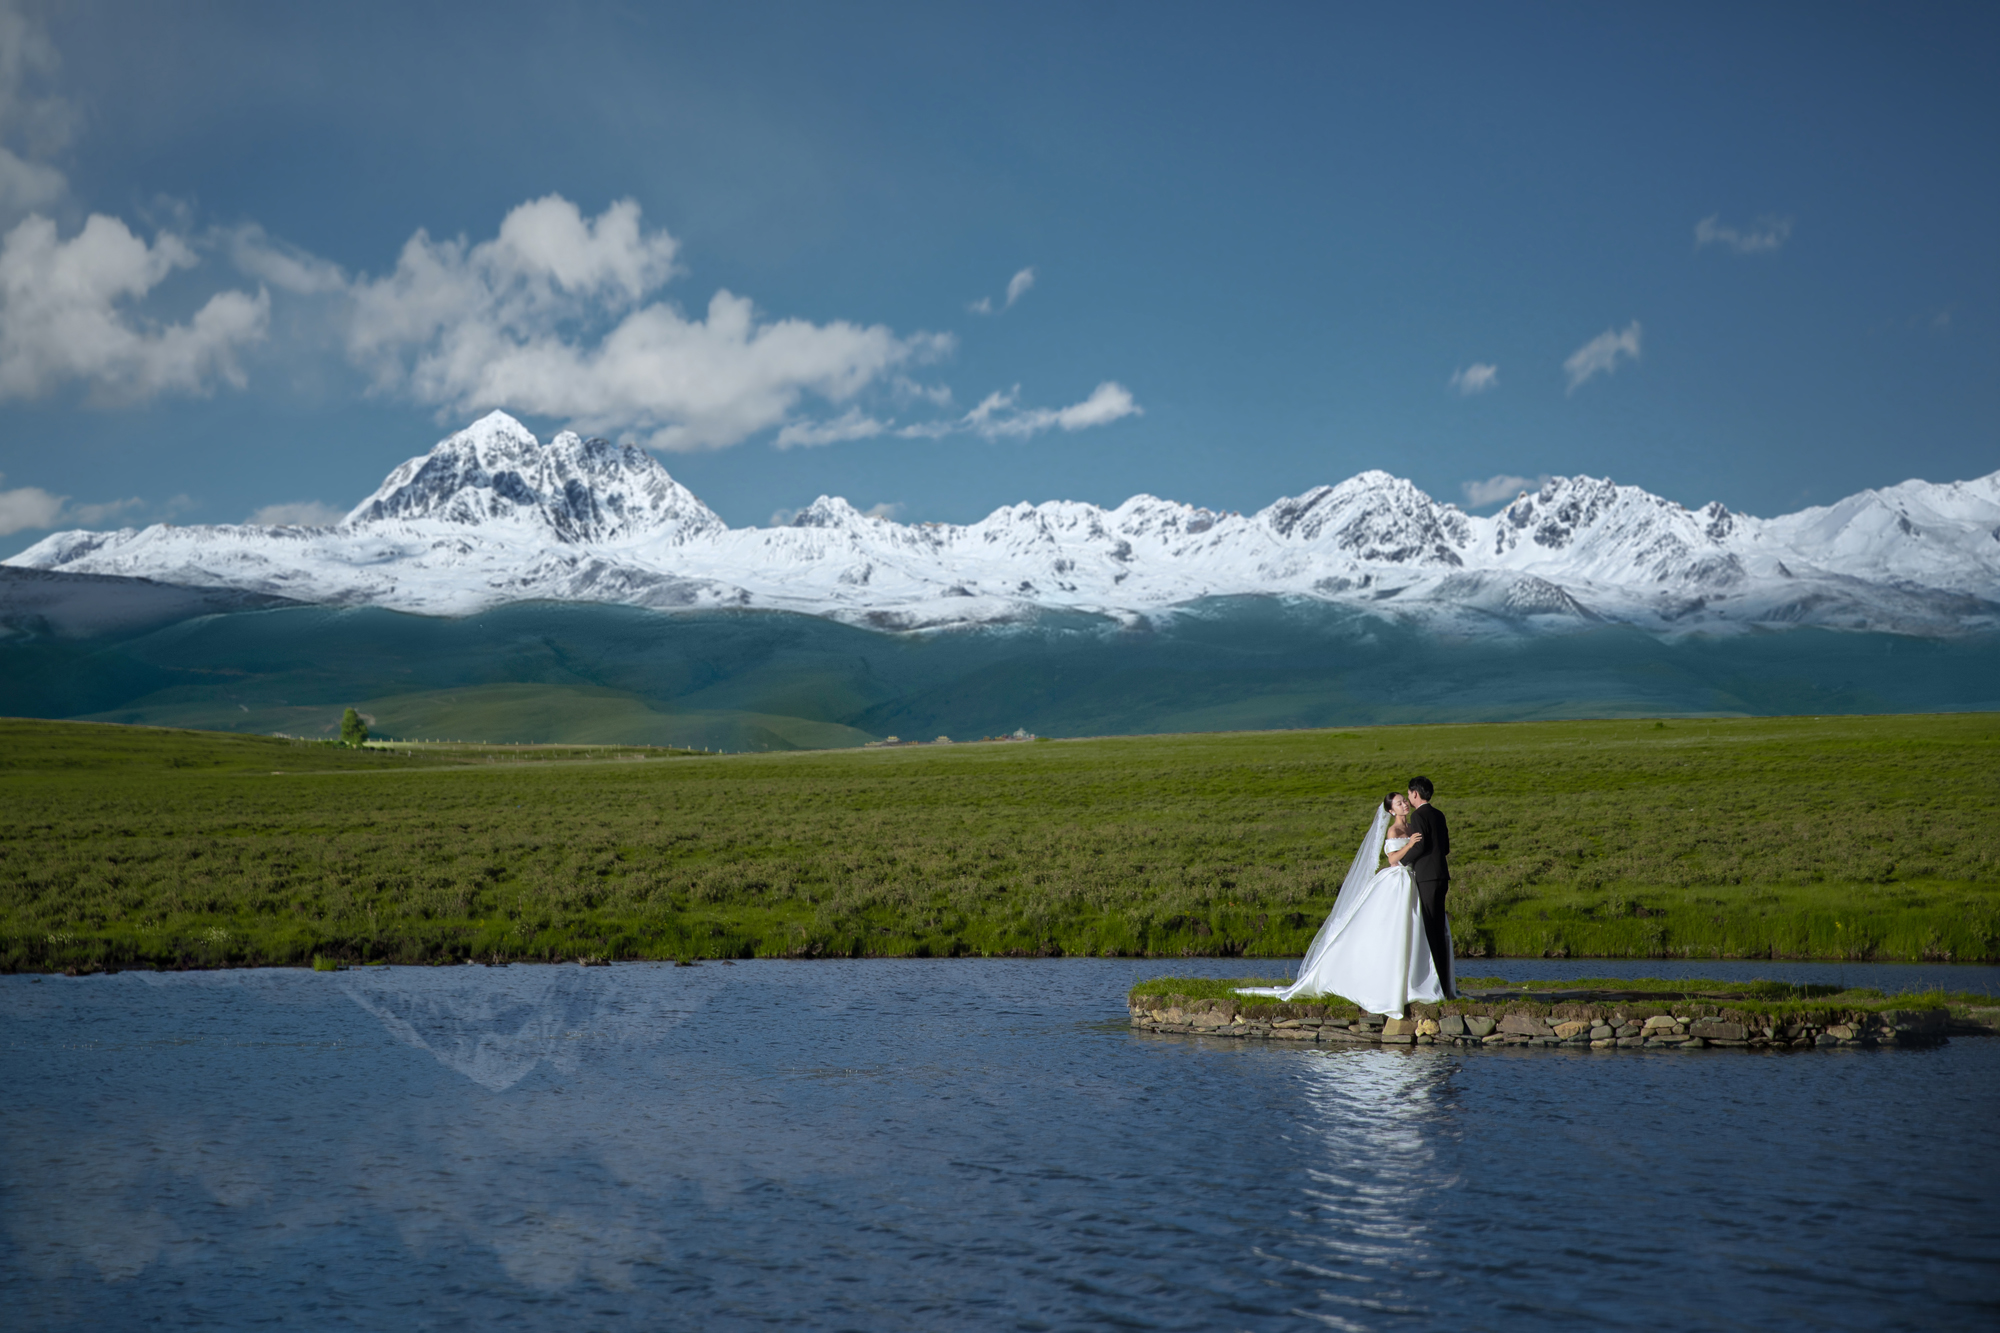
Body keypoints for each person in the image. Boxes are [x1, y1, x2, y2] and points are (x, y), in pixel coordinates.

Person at [1235, 790, 1450, 1016]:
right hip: (1396, 881)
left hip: (1412, 881)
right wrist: (1409, 846)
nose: (1404, 805)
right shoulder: (1394, 830)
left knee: (1413, 929)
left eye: (1405, 801)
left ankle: (1415, 979)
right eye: (1399, 803)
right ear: (1390, 810)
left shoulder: (1412, 826)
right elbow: (1392, 859)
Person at [1401, 775, 1457, 1000]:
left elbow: (1420, 845)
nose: (1408, 797)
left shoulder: (1418, 816)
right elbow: (1445, 847)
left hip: (1426, 877)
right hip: (1442, 875)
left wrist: (1402, 861)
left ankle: (1437, 986)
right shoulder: (1438, 814)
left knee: (1430, 930)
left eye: (1408, 793)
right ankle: (1443, 981)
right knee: (1438, 927)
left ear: (1415, 793)